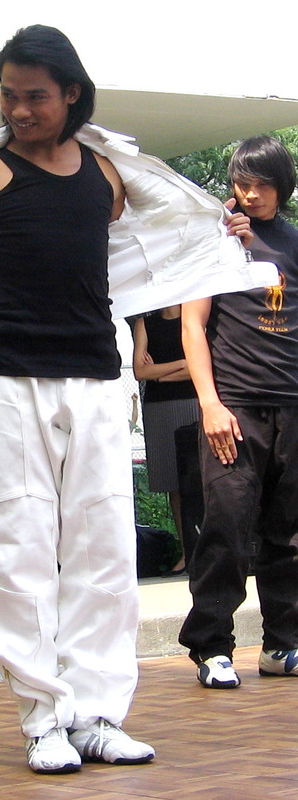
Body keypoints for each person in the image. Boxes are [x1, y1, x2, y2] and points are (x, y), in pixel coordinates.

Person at [0, 26, 270, 773]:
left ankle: (97, 713)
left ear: (71, 92)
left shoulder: (106, 175)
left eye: (34, 95)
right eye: (8, 94)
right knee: (14, 554)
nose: (19, 109)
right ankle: (43, 718)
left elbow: (159, 241)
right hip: (8, 381)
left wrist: (221, 231)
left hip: (98, 379)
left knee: (101, 552)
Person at [178, 135, 298, 688]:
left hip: (291, 407)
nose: (250, 195)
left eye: (262, 185)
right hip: (235, 408)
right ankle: (210, 647)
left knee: (289, 533)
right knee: (226, 525)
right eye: (242, 184)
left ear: (282, 186)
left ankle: (283, 644)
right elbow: (192, 324)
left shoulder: (294, 243)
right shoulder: (215, 239)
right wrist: (209, 403)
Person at [131, 306, 200, 575]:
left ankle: (207, 549)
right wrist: (183, 364)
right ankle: (188, 551)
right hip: (159, 408)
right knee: (174, 483)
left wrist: (159, 372)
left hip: (194, 402)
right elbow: (139, 371)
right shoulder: (144, 323)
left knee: (201, 481)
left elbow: (203, 367)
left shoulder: (194, 318)